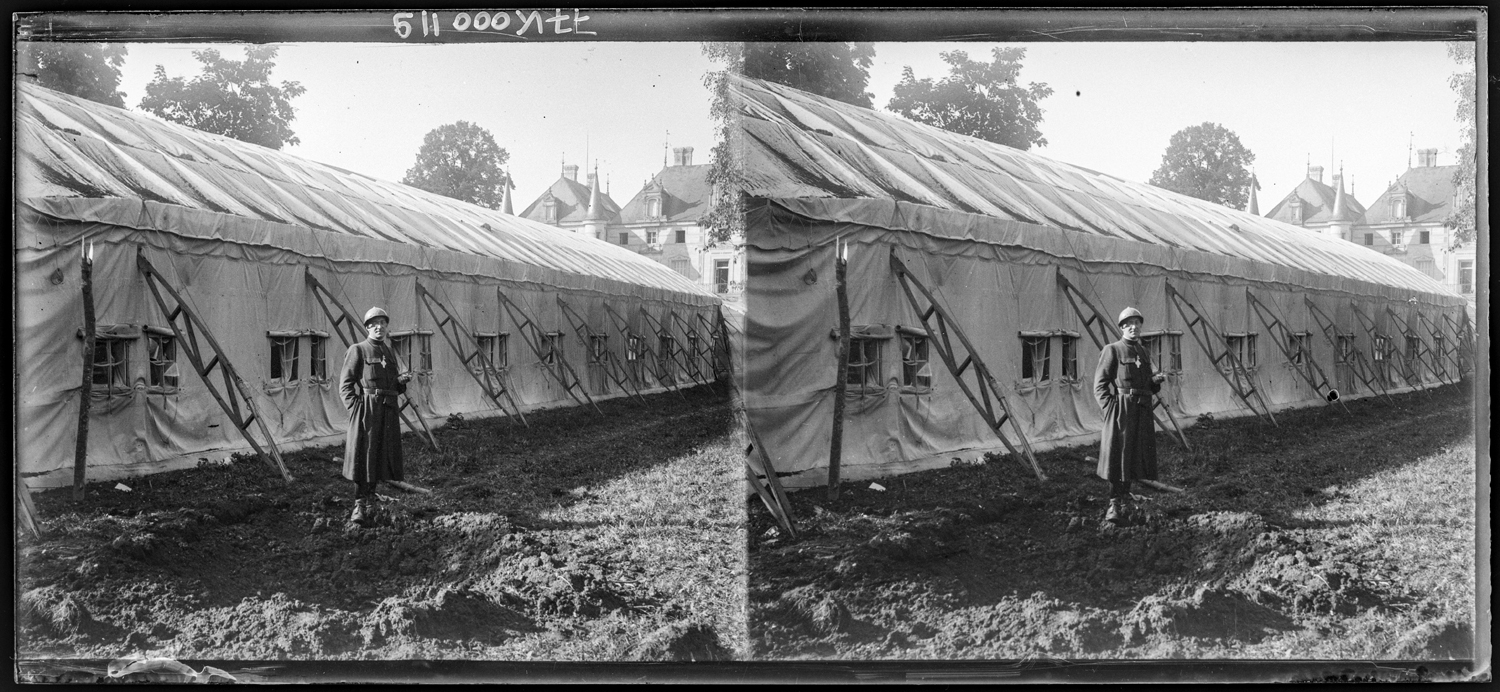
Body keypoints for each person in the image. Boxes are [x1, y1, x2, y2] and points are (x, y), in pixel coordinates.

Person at [340, 307, 413, 528]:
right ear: (367, 327)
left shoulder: (389, 352)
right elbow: (345, 386)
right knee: (364, 454)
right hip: (367, 411)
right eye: (374, 323)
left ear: (387, 327)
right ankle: (359, 503)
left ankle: (371, 499)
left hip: (388, 410)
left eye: (383, 323)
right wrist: (356, 409)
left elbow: (390, 387)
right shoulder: (358, 350)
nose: (379, 327)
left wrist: (401, 384)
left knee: (380, 455)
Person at [1093, 306, 1167, 525]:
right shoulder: (1112, 350)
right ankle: (1114, 502)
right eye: (1129, 324)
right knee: (1118, 453)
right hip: (1121, 411)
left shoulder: (1143, 352)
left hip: (1142, 410)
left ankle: (1125, 497)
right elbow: (1100, 386)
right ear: (1122, 328)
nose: (1134, 327)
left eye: (1137, 323)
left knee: (1134, 454)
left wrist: (1154, 383)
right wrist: (1110, 409)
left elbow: (1145, 385)